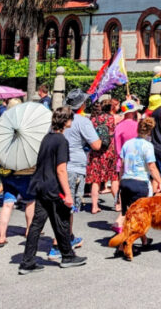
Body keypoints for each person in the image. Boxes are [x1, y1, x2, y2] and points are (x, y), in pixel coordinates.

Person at [18, 106, 87, 274]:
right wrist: (68, 194)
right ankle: (67, 256)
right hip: (53, 186)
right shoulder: (61, 141)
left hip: (41, 184)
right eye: (70, 118)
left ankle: (28, 261)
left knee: (37, 224)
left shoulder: (47, 138)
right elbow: (61, 169)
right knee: (61, 220)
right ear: (66, 121)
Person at [57, 88, 100, 257]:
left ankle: (68, 237)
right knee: (68, 207)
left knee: (64, 206)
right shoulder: (82, 121)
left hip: (59, 166)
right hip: (74, 166)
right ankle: (60, 243)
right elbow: (96, 144)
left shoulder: (59, 118)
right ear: (82, 104)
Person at [116, 116, 161, 235]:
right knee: (140, 214)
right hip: (140, 182)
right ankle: (125, 243)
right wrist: (159, 180)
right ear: (150, 131)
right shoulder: (148, 146)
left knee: (126, 213)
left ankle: (143, 240)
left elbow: (121, 165)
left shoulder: (127, 144)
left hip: (126, 181)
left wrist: (120, 180)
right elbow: (151, 166)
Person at [86, 98, 118, 214]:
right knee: (113, 178)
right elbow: (131, 116)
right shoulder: (113, 118)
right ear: (110, 108)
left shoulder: (93, 120)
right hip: (109, 151)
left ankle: (94, 206)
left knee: (96, 180)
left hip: (96, 151)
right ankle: (117, 203)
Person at [0, 165, 35, 248]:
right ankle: (29, 231)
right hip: (27, 173)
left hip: (7, 173)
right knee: (30, 202)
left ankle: (2, 237)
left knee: (7, 204)